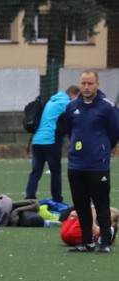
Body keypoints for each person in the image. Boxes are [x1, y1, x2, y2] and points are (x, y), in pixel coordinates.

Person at [65, 69, 119, 253]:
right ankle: (87, 241)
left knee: (102, 204)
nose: (86, 87)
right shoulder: (72, 106)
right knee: (81, 205)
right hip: (76, 164)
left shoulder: (107, 107)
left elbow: (114, 133)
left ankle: (105, 242)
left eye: (90, 83)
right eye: (83, 83)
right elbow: (70, 132)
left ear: (97, 84)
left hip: (98, 165)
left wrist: (101, 149)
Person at [24, 85, 80, 203]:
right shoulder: (66, 102)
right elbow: (77, 115)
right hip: (50, 141)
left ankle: (29, 197)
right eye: (77, 97)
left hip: (37, 140)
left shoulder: (52, 100)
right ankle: (57, 199)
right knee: (55, 172)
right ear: (72, 94)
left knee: (36, 171)